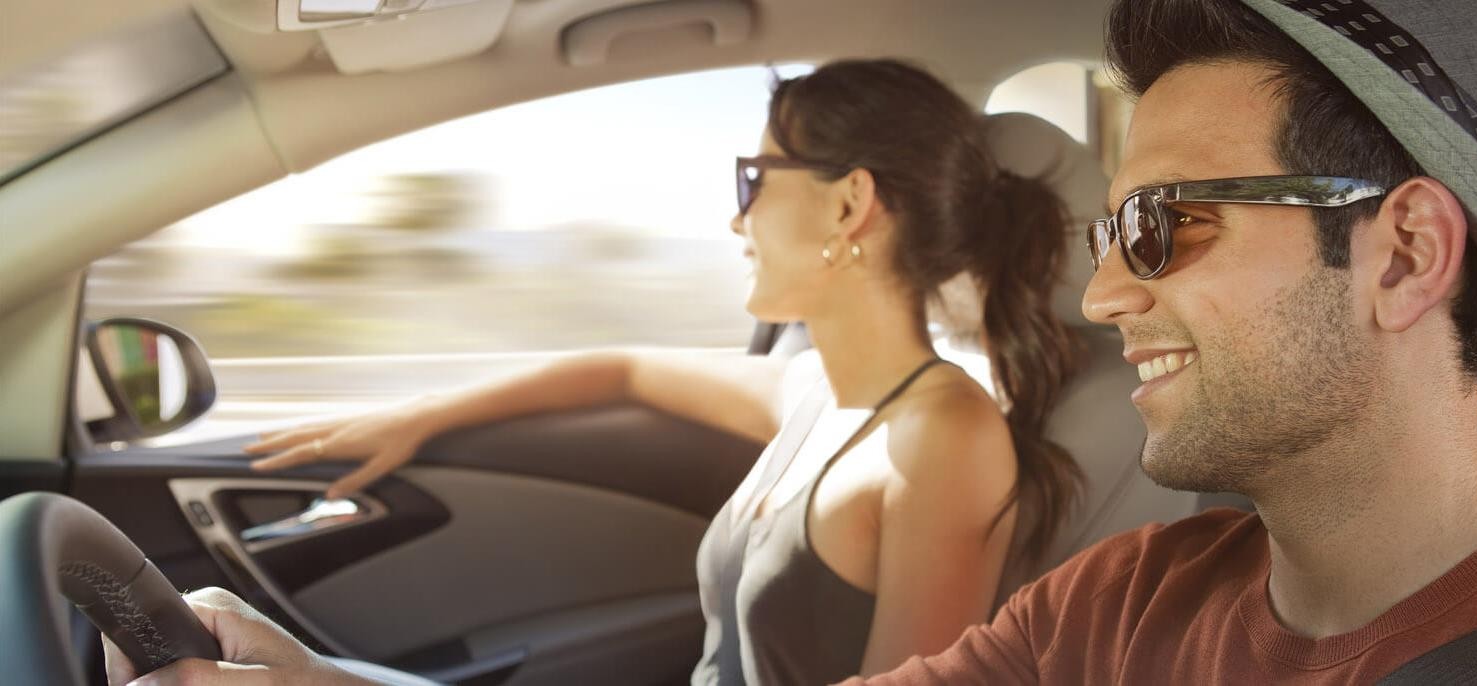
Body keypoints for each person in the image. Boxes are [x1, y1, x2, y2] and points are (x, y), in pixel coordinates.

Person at [105, 59, 1087, 685]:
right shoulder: (814, 395)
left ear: (847, 206)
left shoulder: (941, 438)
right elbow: (620, 370)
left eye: (755, 181)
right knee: (245, 637)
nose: (736, 219)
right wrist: (422, 416)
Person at [841, 0, 1477, 682]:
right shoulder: (1115, 603)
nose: (1101, 297)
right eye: (1113, 233)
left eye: (1161, 225)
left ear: (1406, 255)